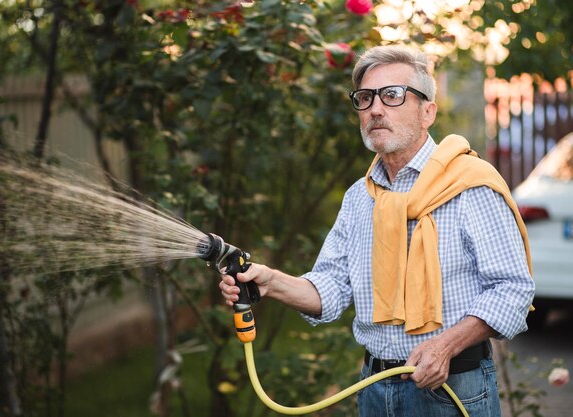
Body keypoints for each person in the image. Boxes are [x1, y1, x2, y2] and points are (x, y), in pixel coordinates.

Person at [219, 45, 535, 417]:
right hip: (374, 389)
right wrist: (272, 282)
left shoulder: (471, 186)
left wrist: (446, 345)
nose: (376, 109)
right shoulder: (359, 198)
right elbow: (332, 288)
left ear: (427, 111)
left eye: (393, 95)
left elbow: (512, 288)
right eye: (365, 98)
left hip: (453, 388)